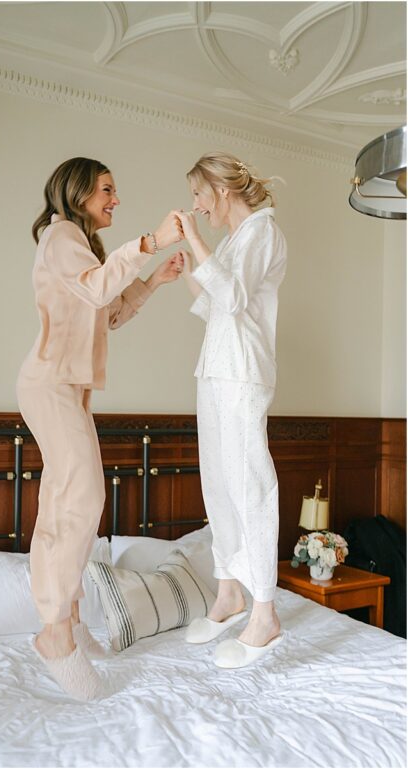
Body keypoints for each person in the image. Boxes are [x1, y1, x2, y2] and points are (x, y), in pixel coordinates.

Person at [16, 157, 183, 699]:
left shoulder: (82, 248)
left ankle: (66, 618)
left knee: (66, 502)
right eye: (107, 190)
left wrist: (154, 279)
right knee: (82, 498)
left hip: (65, 388)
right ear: (80, 192)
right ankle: (55, 632)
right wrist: (151, 241)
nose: (115, 199)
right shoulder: (63, 233)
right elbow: (95, 291)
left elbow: (105, 311)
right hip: (50, 385)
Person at [176, 152, 287, 668]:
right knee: (217, 480)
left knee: (249, 481)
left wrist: (197, 244)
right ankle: (229, 592)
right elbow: (210, 301)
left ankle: (264, 611)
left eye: (200, 195)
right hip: (214, 367)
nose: (196, 206)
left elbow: (237, 298)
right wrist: (188, 262)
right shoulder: (230, 240)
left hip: (243, 371)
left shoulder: (263, 232)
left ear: (221, 190)